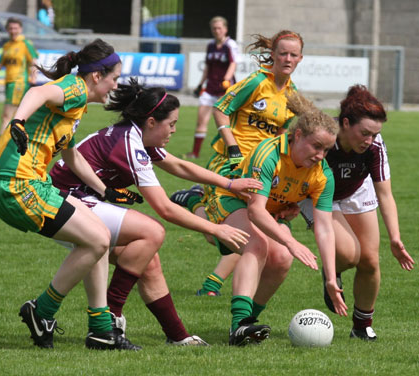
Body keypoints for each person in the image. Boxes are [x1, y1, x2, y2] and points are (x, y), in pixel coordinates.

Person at [49, 78, 262, 348]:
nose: (174, 130)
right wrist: (215, 228)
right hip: (66, 202)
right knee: (152, 231)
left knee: (148, 261)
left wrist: (230, 184)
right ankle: (111, 317)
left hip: (81, 200)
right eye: (171, 123)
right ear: (151, 122)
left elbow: (178, 165)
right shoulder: (129, 143)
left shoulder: (136, 136)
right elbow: (164, 208)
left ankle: (178, 336)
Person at [0, 39, 129, 350]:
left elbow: (70, 155)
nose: (116, 85)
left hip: (31, 183)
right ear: (97, 76)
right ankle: (41, 311)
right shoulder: (74, 87)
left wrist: (105, 190)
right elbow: (37, 92)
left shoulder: (77, 104)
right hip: (16, 185)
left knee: (98, 236)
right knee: (98, 239)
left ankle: (100, 328)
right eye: (114, 77)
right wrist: (17, 120)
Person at [201, 91, 347, 346]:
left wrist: (331, 278)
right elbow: (255, 210)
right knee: (256, 244)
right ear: (298, 136)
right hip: (231, 195)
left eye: (326, 149)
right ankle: (239, 326)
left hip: (268, 208)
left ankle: (248, 325)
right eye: (316, 146)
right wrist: (291, 241)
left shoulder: (322, 174)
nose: (321, 155)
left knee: (281, 258)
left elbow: (324, 228)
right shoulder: (269, 153)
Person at [171, 30, 304, 296]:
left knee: (250, 234)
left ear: (300, 58)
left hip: (260, 171)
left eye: (293, 54)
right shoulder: (256, 82)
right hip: (230, 164)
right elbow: (221, 109)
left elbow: (282, 139)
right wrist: (232, 146)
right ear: (274, 55)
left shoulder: (293, 96)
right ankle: (194, 202)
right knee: (220, 234)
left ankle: (213, 285)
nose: (287, 59)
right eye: (283, 53)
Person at [300, 85, 415, 341]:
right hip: (316, 195)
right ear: (344, 123)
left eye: (374, 134)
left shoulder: (374, 146)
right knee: (350, 254)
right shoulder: (323, 138)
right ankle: (332, 272)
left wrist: (395, 238)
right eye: (364, 133)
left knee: (370, 261)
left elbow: (385, 194)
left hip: (355, 190)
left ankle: (361, 326)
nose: (369, 140)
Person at [183, 16, 239, 159]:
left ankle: (230, 152)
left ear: (225, 29)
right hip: (210, 89)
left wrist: (226, 79)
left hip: (225, 89)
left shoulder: (230, 45)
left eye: (219, 28)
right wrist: (201, 84)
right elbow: (208, 66)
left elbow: (233, 64)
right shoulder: (211, 45)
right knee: (201, 120)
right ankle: (195, 153)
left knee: (225, 123)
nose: (216, 31)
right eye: (214, 28)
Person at [0, 17, 39, 137]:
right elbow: (0, 64)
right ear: (7, 29)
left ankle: (1, 145)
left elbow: (34, 63)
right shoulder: (7, 45)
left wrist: (33, 80)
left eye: (15, 28)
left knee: (7, 115)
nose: (13, 31)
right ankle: (18, 141)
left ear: (20, 29)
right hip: (9, 83)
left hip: (19, 83)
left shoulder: (25, 44)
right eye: (10, 28)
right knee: (19, 115)